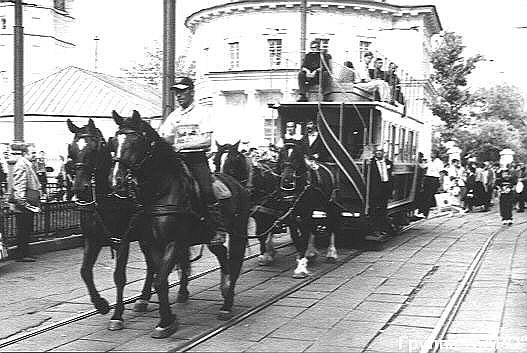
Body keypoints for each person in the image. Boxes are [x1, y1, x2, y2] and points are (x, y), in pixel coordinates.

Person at [158, 76, 228, 245]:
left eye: (182, 92)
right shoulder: (174, 116)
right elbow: (165, 137)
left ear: (191, 92)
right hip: (177, 161)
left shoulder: (202, 113)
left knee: (206, 189)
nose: (178, 96)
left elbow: (206, 141)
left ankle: (218, 229)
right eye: (176, 93)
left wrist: (181, 145)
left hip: (197, 159)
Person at [8, 143, 41, 262]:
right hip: (24, 204)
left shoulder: (27, 164)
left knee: (26, 229)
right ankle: (21, 254)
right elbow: (20, 186)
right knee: (23, 229)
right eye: (32, 153)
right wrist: (26, 204)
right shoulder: (22, 165)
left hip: (26, 203)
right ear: (25, 153)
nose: (34, 155)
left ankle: (24, 252)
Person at [366, 148, 393, 240]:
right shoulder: (370, 163)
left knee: (383, 209)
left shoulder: (389, 162)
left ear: (383, 153)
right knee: (373, 209)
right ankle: (374, 229)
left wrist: (390, 190)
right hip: (375, 189)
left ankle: (382, 228)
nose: (378, 153)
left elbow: (390, 176)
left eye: (380, 151)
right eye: (376, 152)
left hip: (385, 188)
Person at [418, 152, 444, 218]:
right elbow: (423, 166)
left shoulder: (439, 162)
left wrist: (440, 182)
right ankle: (421, 211)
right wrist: (418, 162)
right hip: (428, 178)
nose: (431, 155)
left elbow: (441, 172)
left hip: (434, 179)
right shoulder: (429, 162)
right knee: (424, 195)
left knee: (429, 196)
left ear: (436, 155)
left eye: (433, 154)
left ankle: (425, 213)